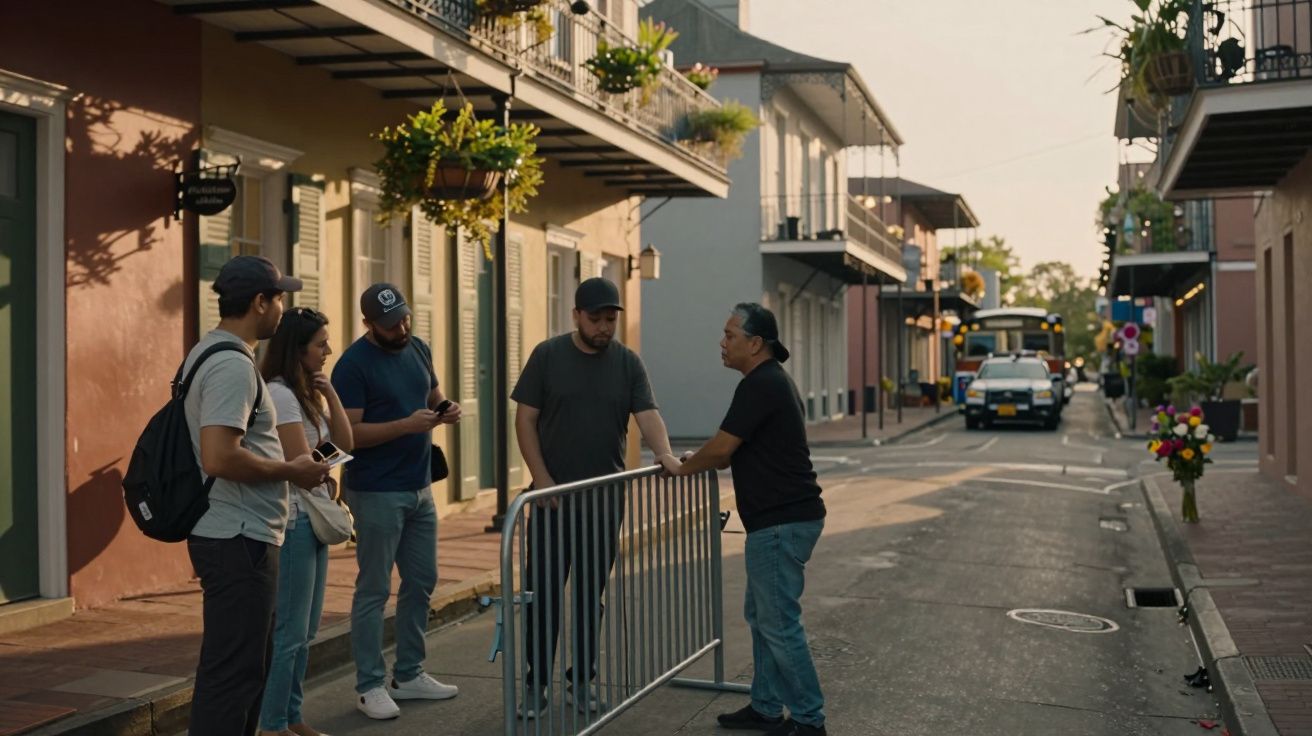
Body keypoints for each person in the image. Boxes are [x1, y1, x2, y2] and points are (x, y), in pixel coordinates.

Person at [512, 276, 677, 717]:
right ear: (576, 316)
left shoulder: (627, 363)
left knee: (590, 595)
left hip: (603, 503)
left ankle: (581, 679)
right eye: (595, 319)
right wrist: (541, 478)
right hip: (552, 500)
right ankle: (536, 681)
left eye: (610, 319)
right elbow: (525, 420)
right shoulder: (547, 356)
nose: (604, 327)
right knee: (543, 593)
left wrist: (663, 453)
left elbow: (647, 414)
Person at [660, 303, 827, 736]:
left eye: (730, 335)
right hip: (781, 520)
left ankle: (809, 720)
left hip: (781, 523)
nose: (722, 342)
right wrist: (698, 460)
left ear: (754, 344)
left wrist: (679, 467)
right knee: (763, 616)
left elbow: (721, 449)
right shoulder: (767, 382)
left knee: (778, 623)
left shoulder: (762, 384)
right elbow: (727, 451)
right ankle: (766, 707)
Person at [183, 255, 330, 736]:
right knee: (234, 676)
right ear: (260, 302)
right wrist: (292, 470)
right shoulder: (231, 365)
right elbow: (219, 457)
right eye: (280, 298)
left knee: (241, 671)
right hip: (238, 537)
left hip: (237, 534)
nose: (284, 309)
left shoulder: (214, 353)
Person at [331, 283, 462, 720]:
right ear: (368, 324)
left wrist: (446, 408)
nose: (401, 328)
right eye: (390, 324)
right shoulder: (352, 366)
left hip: (419, 485)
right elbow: (348, 435)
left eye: (404, 318)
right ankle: (369, 685)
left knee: (422, 580)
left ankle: (408, 675)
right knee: (374, 588)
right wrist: (405, 425)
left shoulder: (418, 347)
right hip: (375, 490)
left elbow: (432, 394)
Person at [258, 307, 354, 736]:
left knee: (307, 630)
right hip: (295, 520)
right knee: (290, 633)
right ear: (298, 349)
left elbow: (345, 445)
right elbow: (303, 465)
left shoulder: (305, 395)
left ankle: (292, 717)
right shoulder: (280, 395)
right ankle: (274, 724)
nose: (327, 350)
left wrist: (331, 396)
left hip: (312, 518)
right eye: (320, 344)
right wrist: (324, 468)